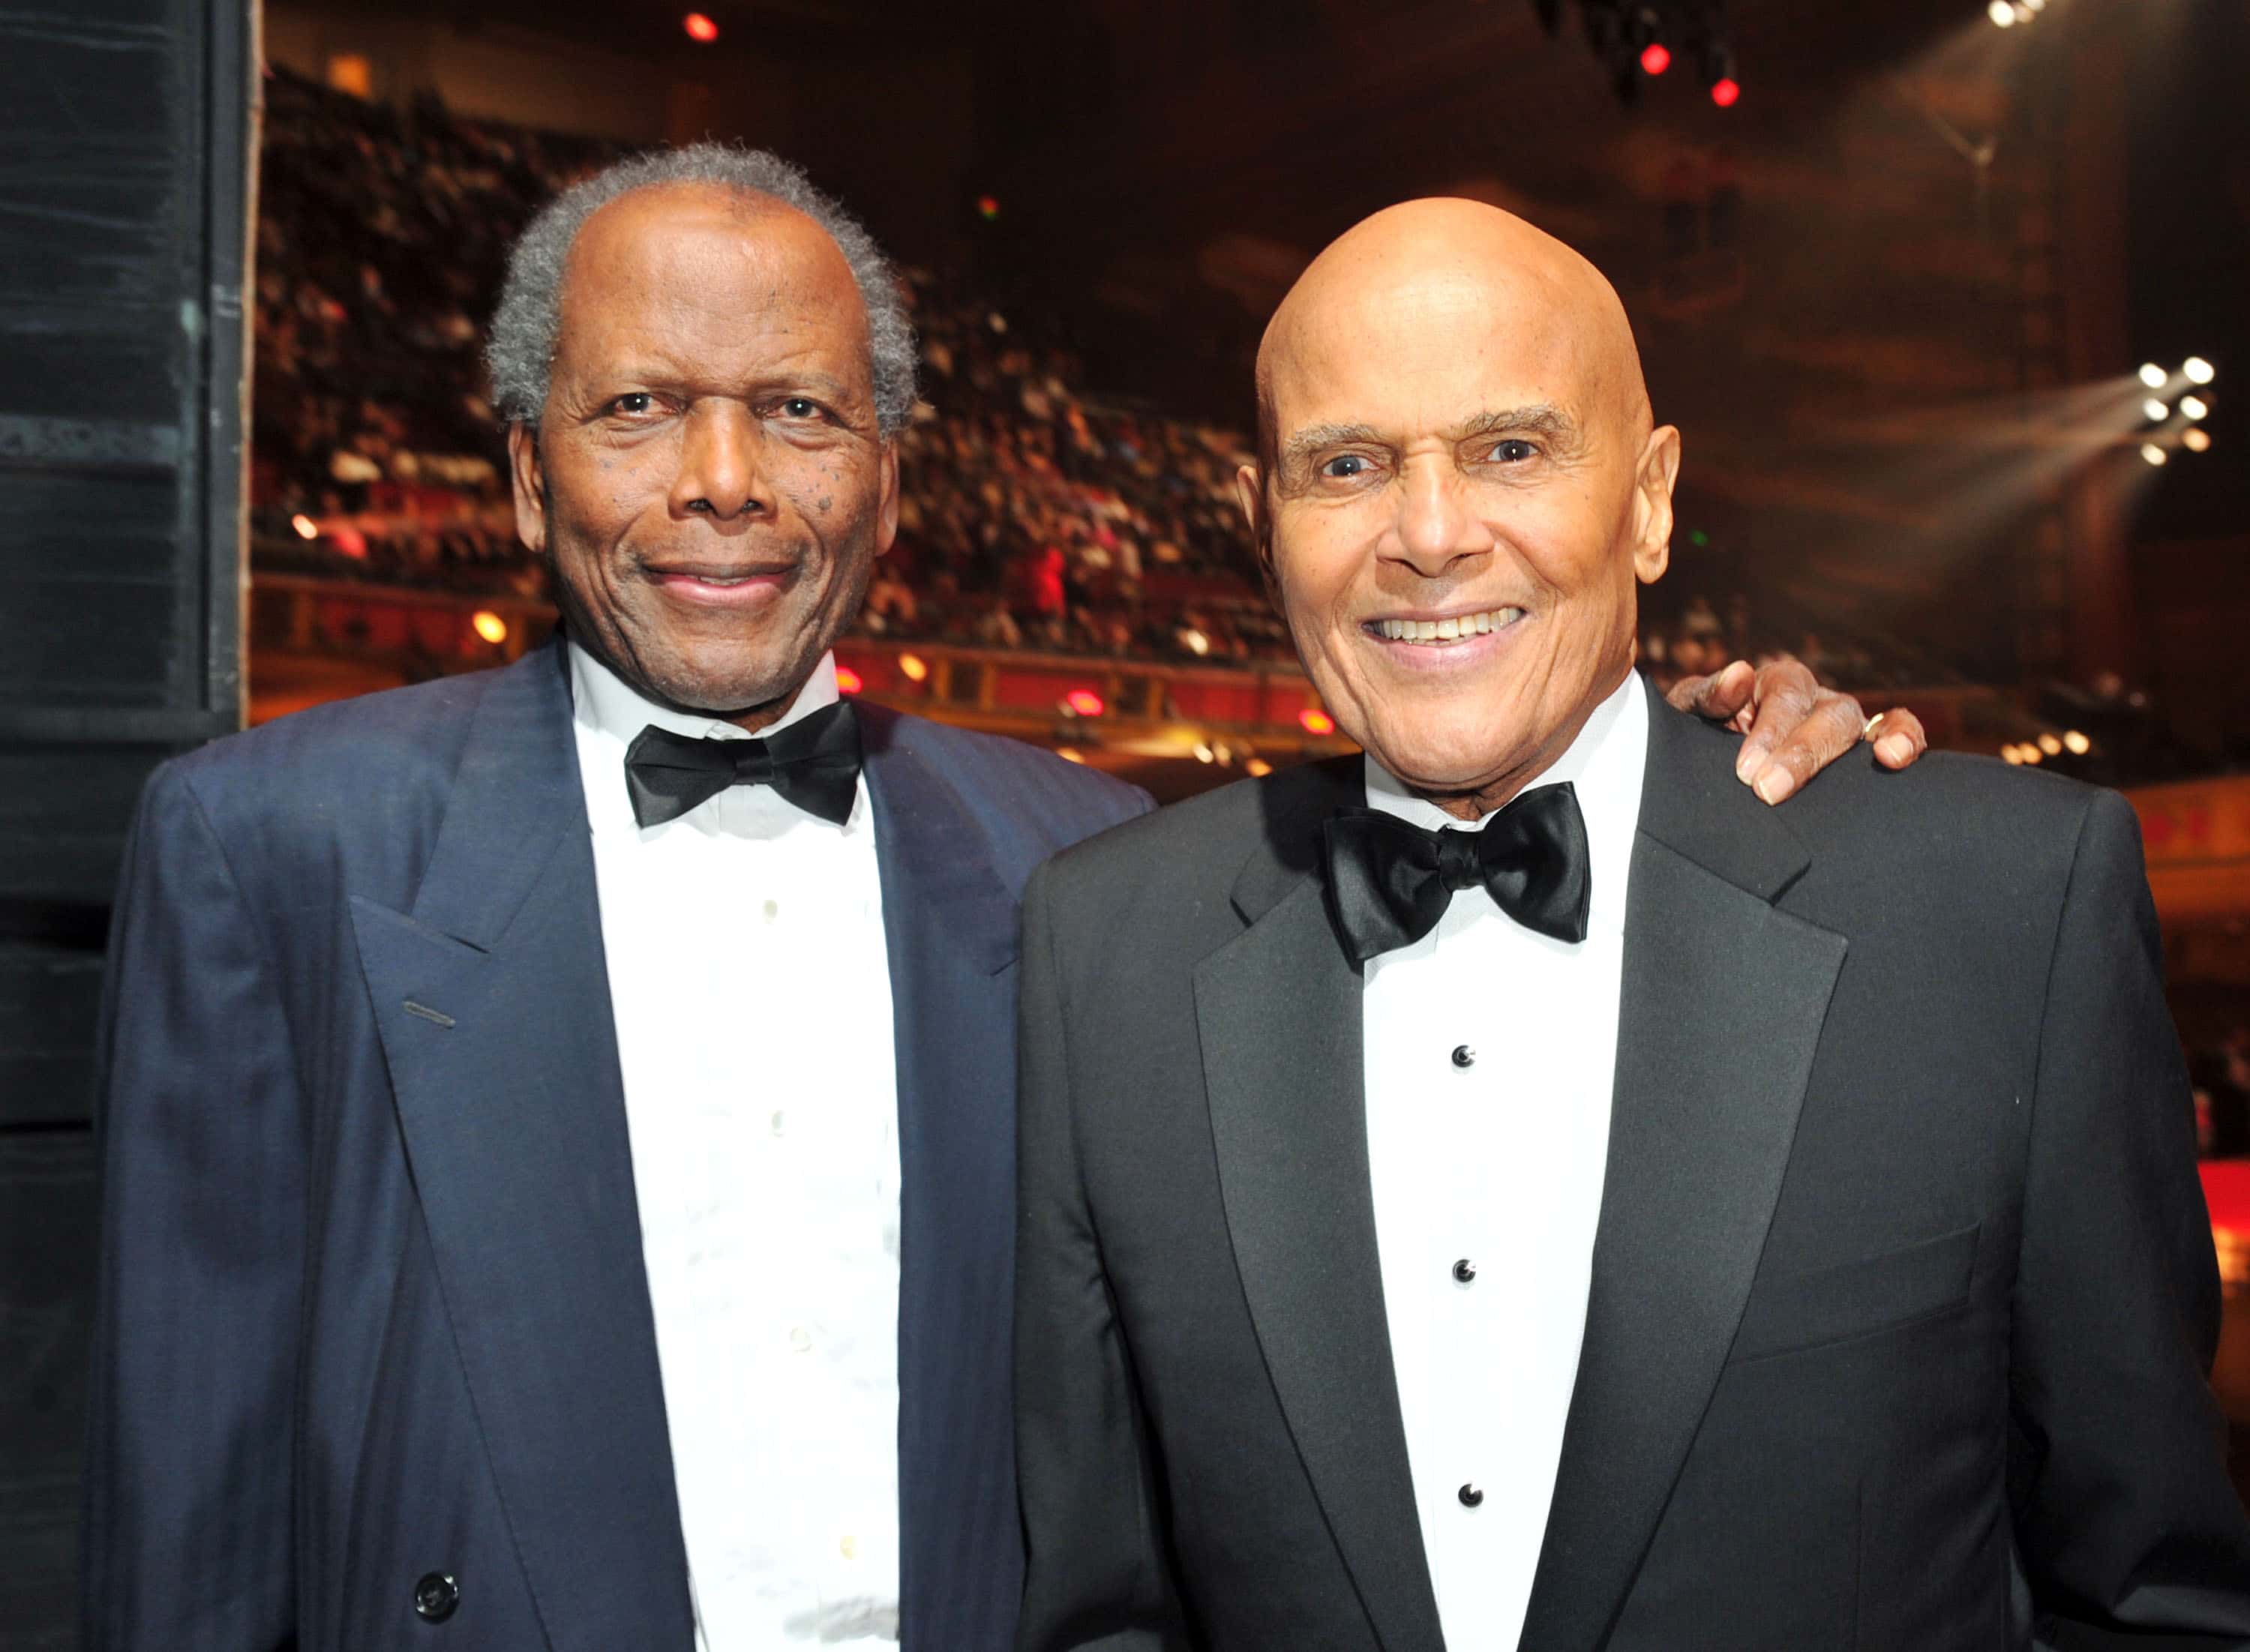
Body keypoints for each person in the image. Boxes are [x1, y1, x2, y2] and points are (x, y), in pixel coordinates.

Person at [82, 149, 1903, 1651]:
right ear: (523, 465)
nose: (724, 482)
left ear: (890, 475)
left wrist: (1719, 748)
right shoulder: (273, 847)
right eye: (639, 409)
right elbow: (193, 1500)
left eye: (797, 412)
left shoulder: (1087, 859)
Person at [1013, 199, 2250, 1651]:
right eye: (1347, 465)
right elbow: (1103, 1612)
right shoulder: (1107, 955)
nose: (1427, 533)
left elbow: (2153, 1598)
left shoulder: (1997, 905)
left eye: (1510, 449)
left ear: (1652, 500)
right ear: (1262, 521)